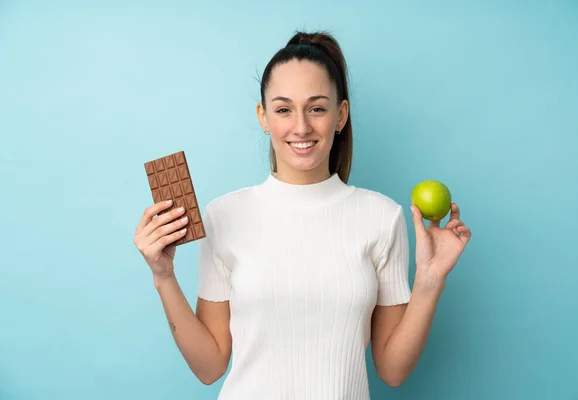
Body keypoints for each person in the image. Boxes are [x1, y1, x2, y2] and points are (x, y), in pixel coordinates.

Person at [133, 30, 472, 399]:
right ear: (263, 117)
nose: (301, 127)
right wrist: (163, 276)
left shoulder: (381, 217)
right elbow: (210, 366)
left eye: (317, 108)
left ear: (340, 115)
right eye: (283, 109)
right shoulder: (224, 215)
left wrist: (429, 280)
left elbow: (391, 371)